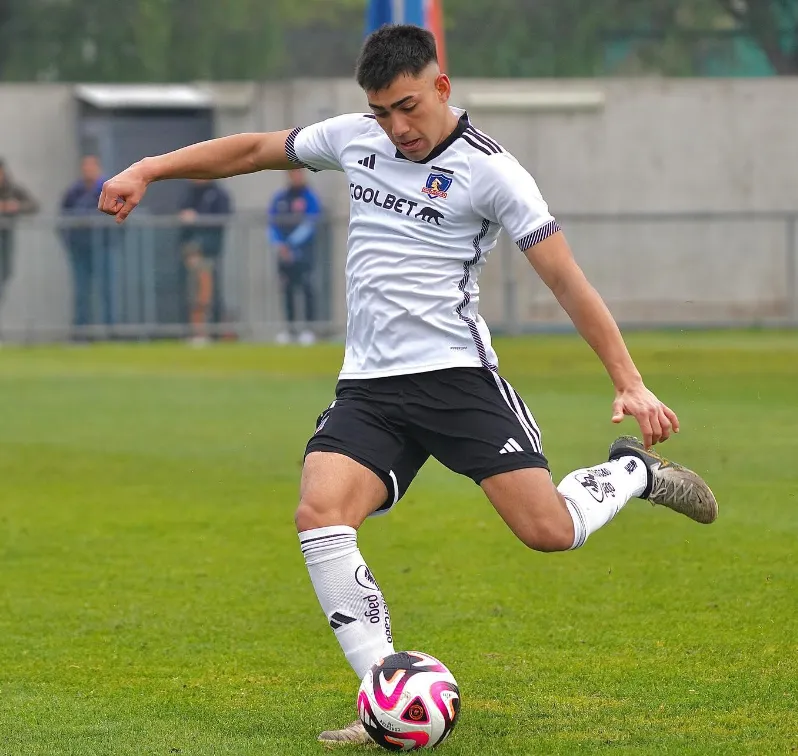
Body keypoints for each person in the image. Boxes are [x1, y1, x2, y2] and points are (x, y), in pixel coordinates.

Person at [98, 25, 718, 746]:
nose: (397, 127)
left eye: (408, 107)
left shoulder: (494, 172)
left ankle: (633, 471)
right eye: (382, 111)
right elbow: (251, 150)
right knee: (320, 514)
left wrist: (631, 382)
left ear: (442, 88)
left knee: (547, 531)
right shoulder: (356, 139)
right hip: (369, 386)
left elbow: (564, 278)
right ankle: (383, 696)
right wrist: (148, 168)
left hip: (456, 379)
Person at [60, 155, 114, 336]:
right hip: (80, 248)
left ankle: (110, 332)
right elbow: (63, 216)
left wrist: (110, 240)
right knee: (81, 291)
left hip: (103, 247)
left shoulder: (108, 187)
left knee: (106, 291)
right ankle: (81, 333)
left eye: (91, 166)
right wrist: (69, 240)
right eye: (85, 166)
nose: (87, 170)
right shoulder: (74, 191)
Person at [268, 168, 322, 345]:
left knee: (307, 289)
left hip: (304, 252)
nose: (296, 176)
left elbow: (310, 224)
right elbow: (272, 223)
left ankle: (308, 329)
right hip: (284, 253)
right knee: (287, 290)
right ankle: (289, 329)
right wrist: (280, 244)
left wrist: (291, 243)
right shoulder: (280, 198)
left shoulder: (309, 197)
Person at [178, 178, 232, 345]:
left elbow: (220, 221)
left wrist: (198, 218)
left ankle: (207, 332)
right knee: (193, 293)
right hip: (190, 253)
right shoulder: (189, 193)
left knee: (205, 293)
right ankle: (197, 332)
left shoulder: (218, 194)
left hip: (208, 253)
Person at [0, 159, 38, 324]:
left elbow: (34, 205)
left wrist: (15, 206)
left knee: (4, 275)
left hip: (5, 239)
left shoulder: (12, 189)